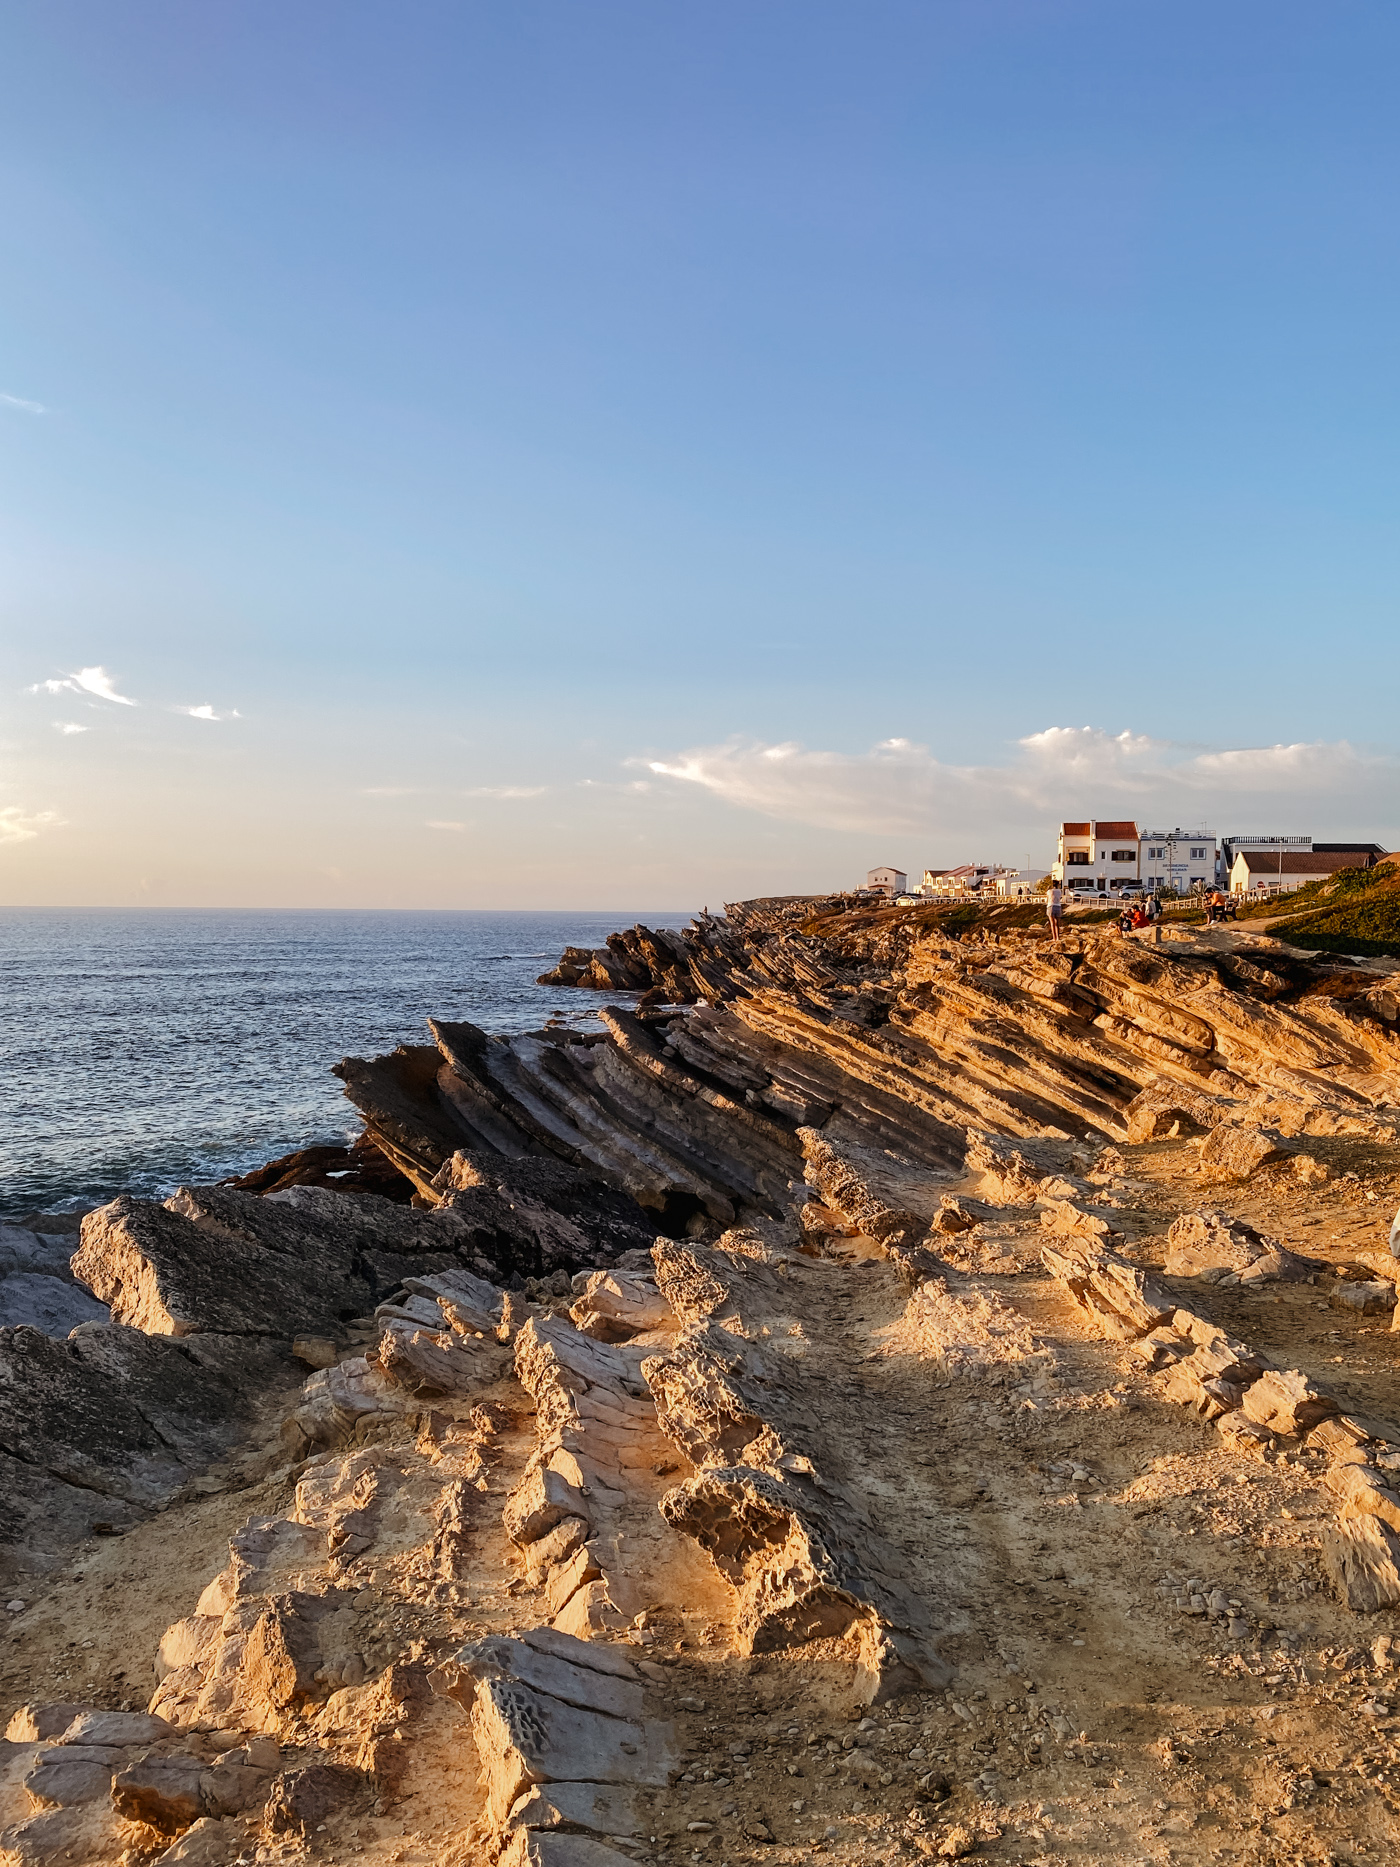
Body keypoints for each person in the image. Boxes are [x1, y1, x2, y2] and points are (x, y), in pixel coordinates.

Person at [1046, 881, 1065, 947]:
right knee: (1057, 923)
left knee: (1052, 923)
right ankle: (1058, 937)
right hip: (1058, 906)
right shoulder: (1059, 891)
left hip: (1051, 906)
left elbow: (1047, 898)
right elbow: (1060, 898)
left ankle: (1054, 938)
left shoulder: (1049, 891)